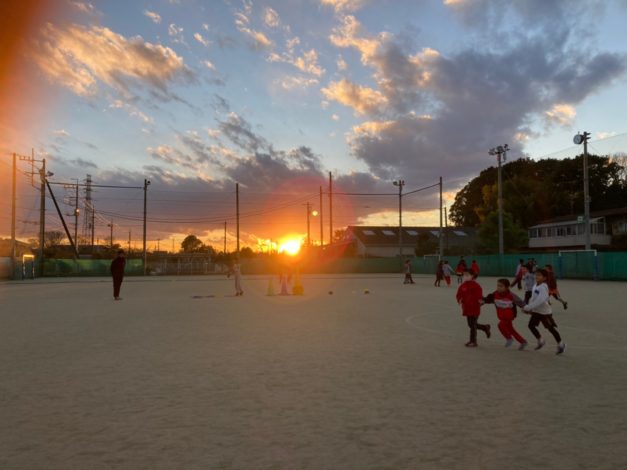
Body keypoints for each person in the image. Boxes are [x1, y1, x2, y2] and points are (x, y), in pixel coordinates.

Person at [523, 268, 566, 355]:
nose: (536, 276)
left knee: (551, 328)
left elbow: (541, 300)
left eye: (539, 275)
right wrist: (530, 308)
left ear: (544, 278)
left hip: (545, 313)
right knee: (531, 326)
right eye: (536, 275)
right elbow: (534, 298)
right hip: (536, 311)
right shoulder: (535, 285)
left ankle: (561, 344)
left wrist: (529, 307)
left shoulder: (543, 287)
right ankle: (541, 340)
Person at [481, 279, 527, 350]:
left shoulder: (511, 295)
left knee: (500, 325)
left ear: (507, 287)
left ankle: (509, 338)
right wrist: (483, 301)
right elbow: (488, 299)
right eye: (498, 286)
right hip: (501, 316)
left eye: (501, 286)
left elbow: (520, 302)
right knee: (511, 329)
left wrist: (527, 308)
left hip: (509, 316)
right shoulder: (495, 294)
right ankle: (523, 341)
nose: (499, 287)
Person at [456, 269, 490, 347]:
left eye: (467, 275)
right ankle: (485, 327)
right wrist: (459, 299)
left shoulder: (476, 286)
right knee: (471, 324)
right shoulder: (463, 285)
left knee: (472, 325)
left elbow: (479, 296)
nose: (465, 276)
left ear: (472, 276)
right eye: (464, 275)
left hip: (474, 308)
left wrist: (480, 301)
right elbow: (459, 294)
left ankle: (473, 341)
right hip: (467, 308)